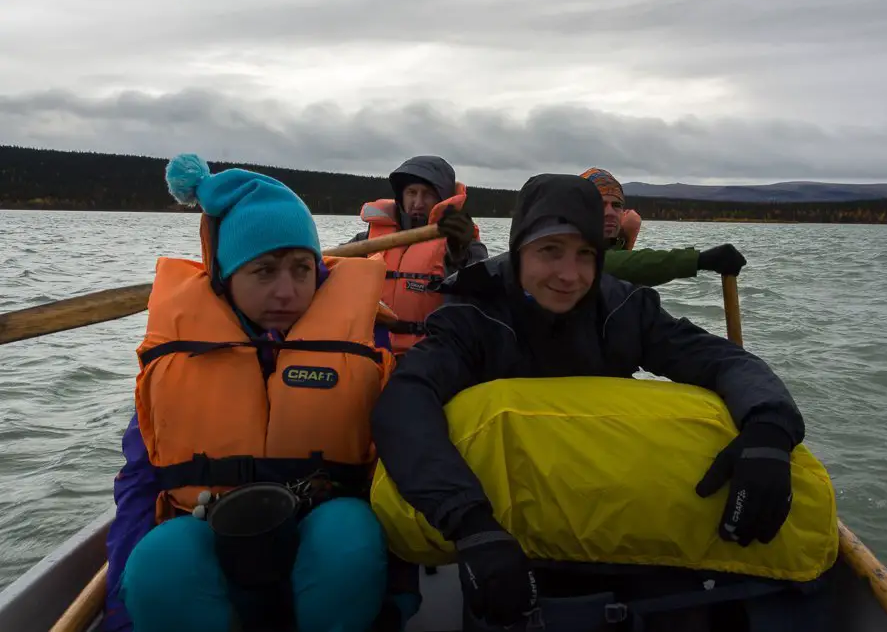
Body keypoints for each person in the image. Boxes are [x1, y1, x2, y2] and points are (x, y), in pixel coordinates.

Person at [370, 174, 817, 629]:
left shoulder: (623, 308)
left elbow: (722, 360)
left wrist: (769, 429)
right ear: (519, 248)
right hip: (506, 526)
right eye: (551, 251)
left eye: (586, 254)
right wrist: (469, 524)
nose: (570, 274)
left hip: (613, 515)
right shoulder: (472, 313)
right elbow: (404, 403)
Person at [103, 155, 414, 632]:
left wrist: (398, 592)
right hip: (210, 542)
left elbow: (397, 469)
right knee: (160, 561)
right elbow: (141, 485)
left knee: (348, 533)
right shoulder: (177, 359)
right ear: (226, 279)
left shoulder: (366, 347)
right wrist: (120, 613)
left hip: (323, 547)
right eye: (264, 272)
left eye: (301, 269)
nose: (287, 292)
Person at [350, 155, 488, 354]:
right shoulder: (366, 240)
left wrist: (460, 253)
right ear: (401, 196)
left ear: (442, 198)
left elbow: (481, 296)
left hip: (429, 353)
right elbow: (326, 270)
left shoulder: (463, 244)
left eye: (428, 194)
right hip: (369, 347)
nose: (418, 202)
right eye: (412, 193)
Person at [580, 167, 749, 286]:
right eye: (600, 204)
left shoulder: (618, 252)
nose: (609, 212)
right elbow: (620, 264)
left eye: (616, 205)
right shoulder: (572, 255)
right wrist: (700, 260)